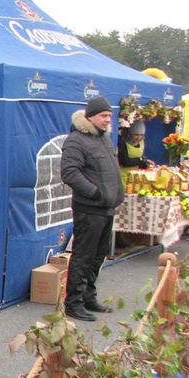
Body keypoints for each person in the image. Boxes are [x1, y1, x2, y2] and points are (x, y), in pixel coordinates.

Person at [60, 96, 124, 322]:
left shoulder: (104, 139)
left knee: (98, 255)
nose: (108, 119)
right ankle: (73, 302)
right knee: (83, 255)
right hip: (89, 208)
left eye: (109, 115)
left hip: (106, 208)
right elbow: (69, 173)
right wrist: (95, 193)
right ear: (90, 117)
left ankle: (88, 296)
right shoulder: (76, 140)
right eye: (103, 116)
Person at [118, 120, 152, 186]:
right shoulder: (122, 143)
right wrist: (141, 160)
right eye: (136, 135)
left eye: (141, 135)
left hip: (135, 178)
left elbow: (139, 159)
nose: (138, 137)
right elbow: (125, 162)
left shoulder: (142, 142)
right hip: (123, 176)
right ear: (130, 134)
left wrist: (145, 163)